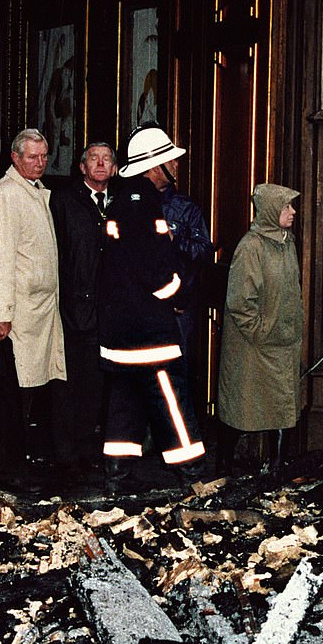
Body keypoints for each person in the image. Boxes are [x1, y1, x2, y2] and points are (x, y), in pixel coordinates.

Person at [98, 125, 206, 494]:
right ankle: (194, 474)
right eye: (169, 160)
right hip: (150, 331)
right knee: (171, 402)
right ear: (154, 166)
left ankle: (117, 476)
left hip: (119, 332)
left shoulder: (119, 202)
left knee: (124, 402)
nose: (175, 165)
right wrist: (178, 295)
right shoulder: (145, 205)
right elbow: (158, 271)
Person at [0, 128, 67, 490]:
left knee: (27, 392)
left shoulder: (33, 193)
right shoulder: (5, 197)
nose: (40, 162)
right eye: (32, 157)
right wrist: (0, 313)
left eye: (44, 156)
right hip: (16, 317)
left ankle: (19, 465)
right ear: (14, 158)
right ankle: (6, 471)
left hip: (38, 313)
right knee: (8, 395)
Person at [216, 183, 304, 476]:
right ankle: (223, 468)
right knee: (242, 409)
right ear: (269, 210)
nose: (292, 212)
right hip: (255, 348)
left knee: (283, 407)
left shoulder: (286, 241)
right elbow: (240, 302)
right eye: (286, 207)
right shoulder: (251, 247)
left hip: (283, 344)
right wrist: (262, 332)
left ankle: (278, 469)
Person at [49, 142, 117, 470]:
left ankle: (88, 451)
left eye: (107, 159)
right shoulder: (63, 201)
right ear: (82, 166)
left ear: (115, 168)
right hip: (70, 310)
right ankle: (65, 456)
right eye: (94, 159)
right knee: (67, 384)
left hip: (106, 313)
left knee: (96, 384)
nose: (100, 164)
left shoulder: (120, 203)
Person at [139, 122, 212, 407]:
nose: (177, 166)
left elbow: (203, 251)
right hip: (144, 306)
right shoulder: (133, 202)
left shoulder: (187, 208)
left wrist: (175, 241)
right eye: (171, 161)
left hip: (178, 308)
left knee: (175, 372)